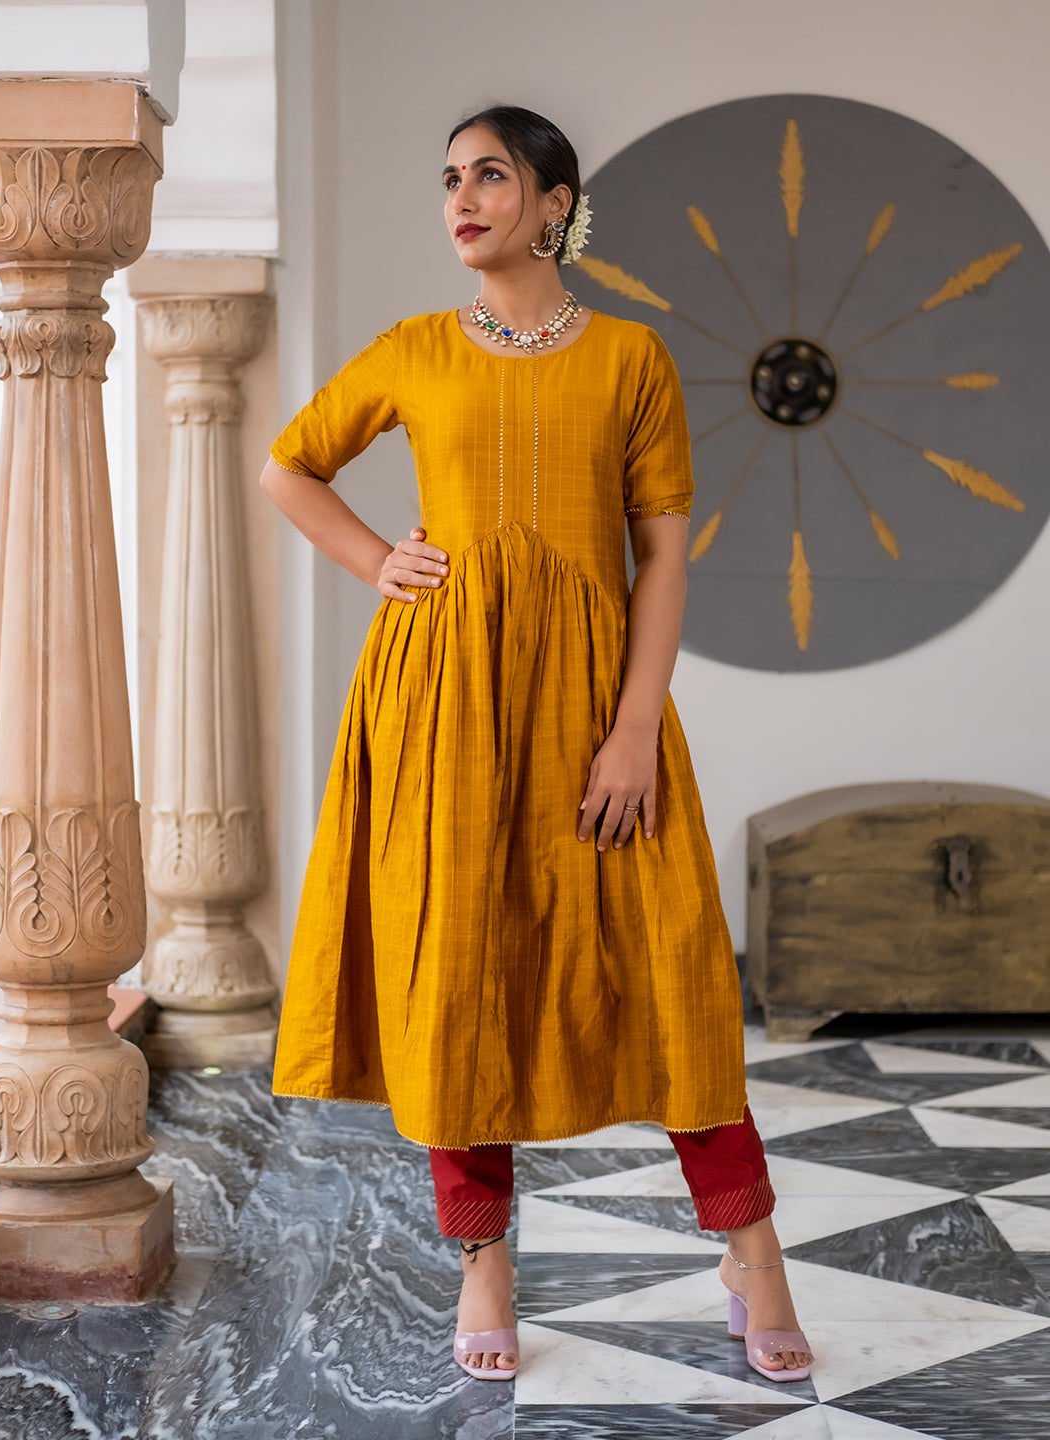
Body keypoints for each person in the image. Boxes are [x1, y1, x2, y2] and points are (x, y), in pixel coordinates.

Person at [260, 103, 813, 1386]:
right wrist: (378, 560)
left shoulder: (631, 358)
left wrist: (634, 729)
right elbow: (290, 468)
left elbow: (663, 556)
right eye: (450, 177)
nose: (462, 197)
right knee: (461, 973)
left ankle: (752, 1253)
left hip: (593, 704)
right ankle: (484, 1261)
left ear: (556, 202)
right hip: (442, 701)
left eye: (492, 175)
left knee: (673, 971)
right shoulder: (412, 349)